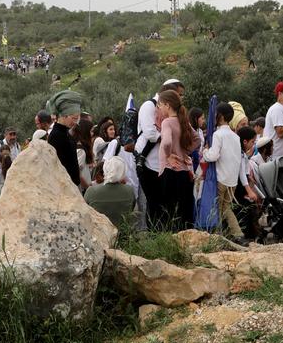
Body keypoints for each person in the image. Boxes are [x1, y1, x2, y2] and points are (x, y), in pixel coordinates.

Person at [137, 80, 185, 224]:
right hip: (148, 162)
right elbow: (150, 133)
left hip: (163, 163)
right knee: (153, 201)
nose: (180, 99)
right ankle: (154, 234)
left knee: (165, 202)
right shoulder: (148, 106)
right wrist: (167, 137)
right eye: (178, 95)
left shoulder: (171, 113)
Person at [200, 102, 247, 243]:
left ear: (219, 116)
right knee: (226, 208)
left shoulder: (218, 135)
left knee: (217, 210)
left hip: (220, 179)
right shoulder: (235, 136)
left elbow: (213, 156)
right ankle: (238, 234)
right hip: (232, 180)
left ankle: (218, 237)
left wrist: (205, 151)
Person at [156, 89, 200, 231]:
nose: (159, 108)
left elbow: (167, 142)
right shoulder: (183, 121)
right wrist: (185, 152)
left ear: (167, 105)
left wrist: (168, 155)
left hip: (170, 171)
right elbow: (197, 139)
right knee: (184, 211)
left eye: (160, 105)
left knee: (169, 212)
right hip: (184, 171)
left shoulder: (167, 122)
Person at [84, 156, 135, 229]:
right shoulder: (129, 190)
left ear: (105, 170)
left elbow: (85, 212)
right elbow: (131, 209)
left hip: (99, 233)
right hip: (123, 233)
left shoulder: (91, 191)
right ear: (123, 171)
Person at [48, 89, 85, 188]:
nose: (76, 122)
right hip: (65, 187)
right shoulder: (56, 136)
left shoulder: (65, 133)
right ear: (64, 116)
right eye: (74, 118)